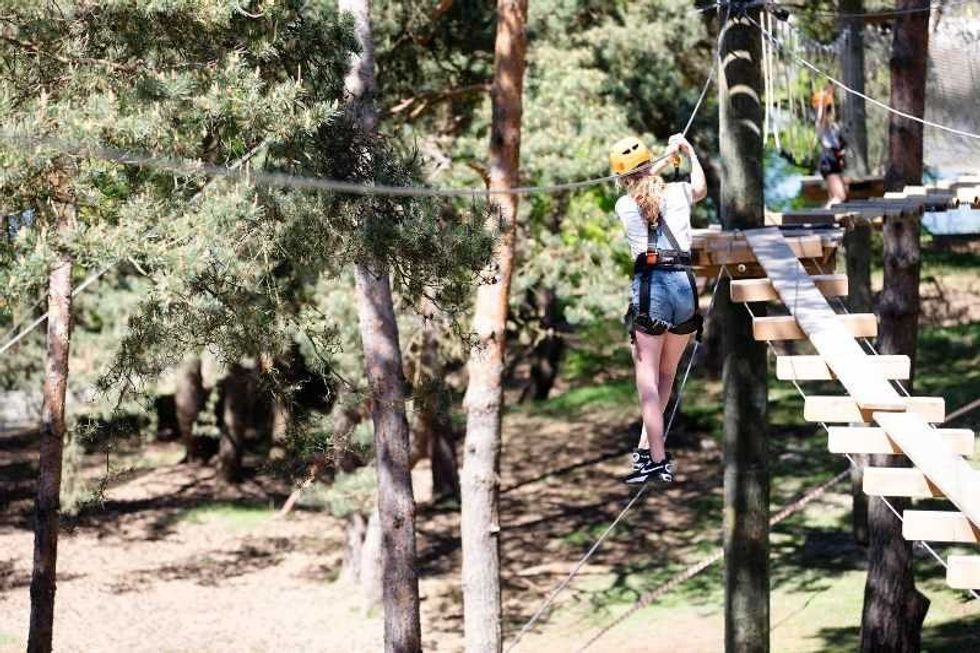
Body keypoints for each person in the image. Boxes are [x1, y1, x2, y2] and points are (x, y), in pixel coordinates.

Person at [609, 133, 707, 486]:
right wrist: (685, 151)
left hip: (654, 287)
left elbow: (642, 186)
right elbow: (700, 186)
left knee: (647, 377)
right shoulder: (679, 193)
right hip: (685, 286)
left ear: (621, 177)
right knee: (666, 374)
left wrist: (663, 159)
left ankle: (657, 459)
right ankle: (647, 449)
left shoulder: (624, 207)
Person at [813, 87, 848, 207]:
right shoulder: (821, 126)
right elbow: (821, 117)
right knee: (840, 196)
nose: (829, 112)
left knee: (837, 196)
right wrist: (823, 99)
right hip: (828, 160)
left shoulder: (835, 127)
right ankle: (826, 215)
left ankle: (829, 216)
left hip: (835, 159)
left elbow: (840, 145)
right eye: (828, 109)